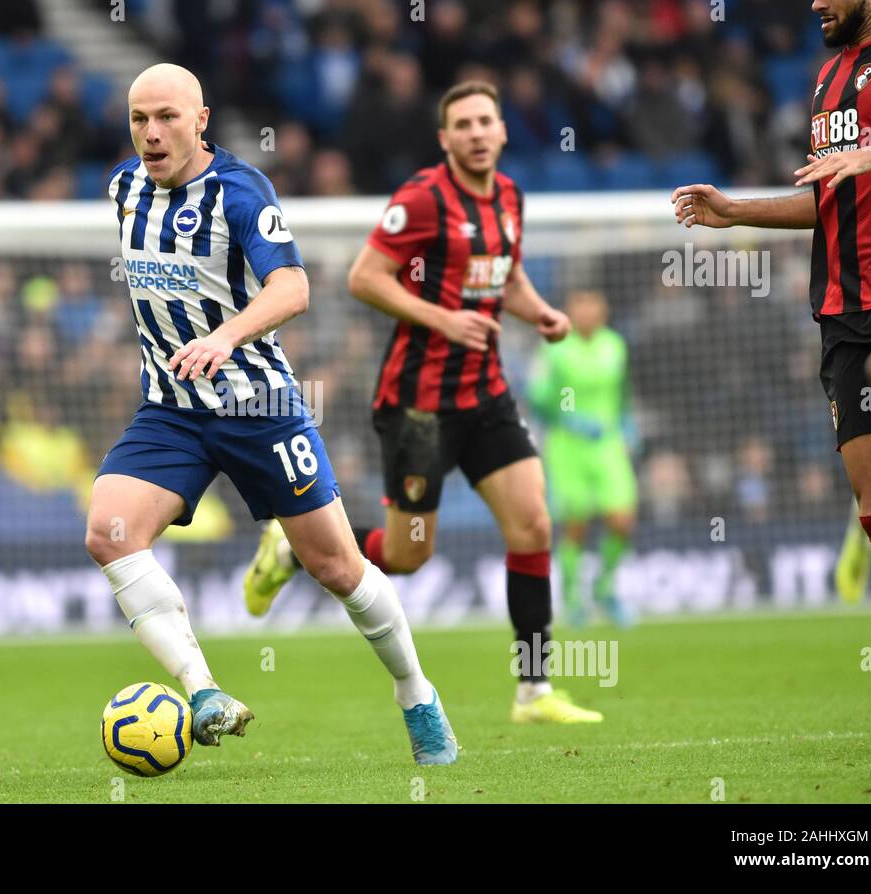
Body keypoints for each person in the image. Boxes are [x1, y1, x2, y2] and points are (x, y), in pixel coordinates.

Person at [84, 64, 457, 765]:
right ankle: (203, 693)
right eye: (139, 118)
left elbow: (294, 286)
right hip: (171, 408)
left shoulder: (242, 191)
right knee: (109, 533)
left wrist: (225, 336)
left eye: (167, 116)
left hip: (258, 404)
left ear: (201, 119)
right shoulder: (124, 187)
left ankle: (417, 695)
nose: (151, 133)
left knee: (339, 567)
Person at [245, 80, 604, 724]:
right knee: (410, 555)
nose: (474, 132)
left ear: (500, 130)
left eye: (484, 121)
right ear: (445, 138)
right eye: (461, 123)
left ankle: (534, 691)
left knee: (533, 525)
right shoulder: (422, 199)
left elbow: (505, 275)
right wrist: (442, 320)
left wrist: (541, 312)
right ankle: (293, 549)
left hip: (487, 395)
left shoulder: (511, 198)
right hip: (418, 406)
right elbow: (364, 278)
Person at [671, 0, 871, 619]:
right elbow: (829, 201)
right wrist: (735, 212)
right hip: (842, 311)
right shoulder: (826, 77)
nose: (815, 3)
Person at [526, 290, 638, 627]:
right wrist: (567, 417)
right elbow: (537, 397)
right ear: (571, 312)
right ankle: (573, 598)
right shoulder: (555, 347)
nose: (588, 312)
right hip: (568, 445)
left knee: (622, 519)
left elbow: (621, 392)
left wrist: (626, 422)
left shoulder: (615, 345)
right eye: (581, 305)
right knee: (576, 525)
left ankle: (604, 588)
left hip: (608, 444)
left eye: (594, 304)